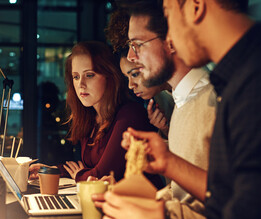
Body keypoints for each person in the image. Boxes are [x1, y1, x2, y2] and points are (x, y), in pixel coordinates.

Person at [97, 0, 261, 219]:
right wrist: (168, 161)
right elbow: (229, 194)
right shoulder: (234, 81)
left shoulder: (252, 81)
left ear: (195, 6)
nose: (170, 38)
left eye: (168, 13)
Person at [96, 0, 217, 219]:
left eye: (137, 44)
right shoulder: (182, 102)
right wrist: (131, 198)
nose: (131, 56)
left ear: (170, 41)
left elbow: (224, 213)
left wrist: (149, 211)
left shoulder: (212, 101)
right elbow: (180, 194)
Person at [29, 41, 163, 188]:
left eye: (89, 75)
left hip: (144, 205)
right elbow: (86, 172)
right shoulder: (91, 118)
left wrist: (80, 175)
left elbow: (99, 176)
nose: (81, 84)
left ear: (109, 76)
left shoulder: (129, 115)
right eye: (76, 77)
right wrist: (51, 171)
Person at [105, 9, 174, 137]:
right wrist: (164, 129)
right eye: (127, 77)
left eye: (135, 74)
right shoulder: (159, 100)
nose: (131, 85)